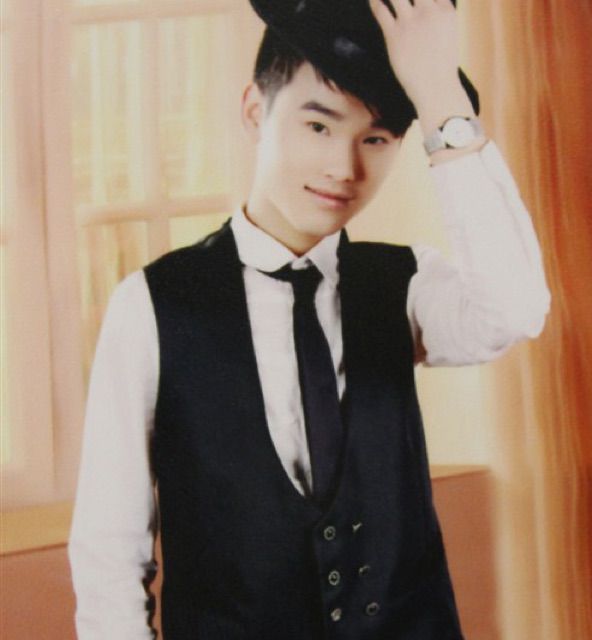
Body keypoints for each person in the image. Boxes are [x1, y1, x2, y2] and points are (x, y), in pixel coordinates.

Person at [68, 1, 551, 638]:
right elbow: (109, 559)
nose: (343, 169)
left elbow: (516, 309)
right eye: (318, 126)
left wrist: (440, 99)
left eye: (376, 139)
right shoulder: (152, 306)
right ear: (254, 111)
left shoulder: (405, 285)